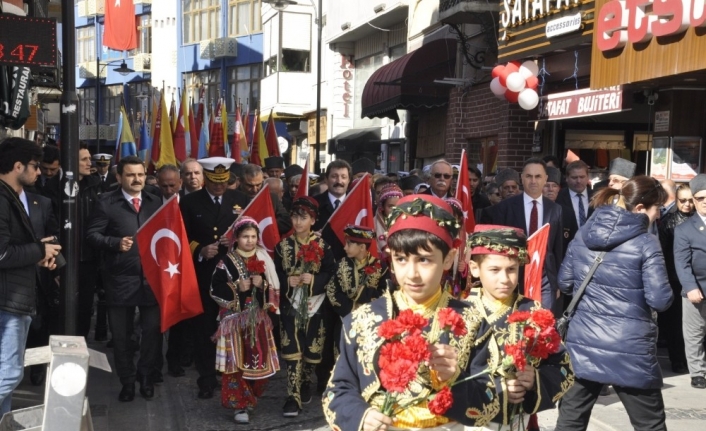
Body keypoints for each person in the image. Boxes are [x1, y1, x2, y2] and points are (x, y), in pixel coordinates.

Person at [323, 195, 508, 431]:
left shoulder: (471, 321)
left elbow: (490, 398)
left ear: (448, 258)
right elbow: (338, 389)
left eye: (424, 260)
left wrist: (455, 379)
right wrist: (360, 415)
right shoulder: (362, 320)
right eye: (400, 259)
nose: (412, 274)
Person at [555, 175, 672, 431]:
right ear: (640, 208)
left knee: (570, 422)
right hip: (629, 348)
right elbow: (659, 299)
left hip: (583, 342)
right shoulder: (646, 243)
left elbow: (565, 282)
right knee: (650, 425)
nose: (658, 216)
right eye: (657, 209)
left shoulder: (584, 232)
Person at [466, 224, 575, 429]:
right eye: (494, 270)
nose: (505, 279)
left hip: (519, 422)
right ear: (474, 269)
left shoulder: (534, 312)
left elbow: (564, 369)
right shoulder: (458, 312)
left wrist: (535, 379)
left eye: (512, 269)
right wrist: (497, 388)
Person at [86, 156, 163, 402]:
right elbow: (92, 235)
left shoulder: (155, 200)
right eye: (131, 175)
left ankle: (146, 376)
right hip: (120, 281)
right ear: (119, 177)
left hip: (151, 281)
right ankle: (127, 381)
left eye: (140, 174)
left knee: (152, 332)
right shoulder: (106, 202)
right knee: (121, 336)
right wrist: (114, 243)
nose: (137, 179)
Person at [0, 138, 62, 415]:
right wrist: (39, 249)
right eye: (35, 166)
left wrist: (40, 251)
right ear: (17, 166)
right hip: (7, 303)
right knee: (9, 374)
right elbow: (2, 254)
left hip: (15, 299)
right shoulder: (2, 199)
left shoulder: (12, 197)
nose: (39, 172)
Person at [180, 157, 250, 399]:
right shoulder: (189, 202)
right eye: (215, 182)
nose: (220, 186)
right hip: (204, 274)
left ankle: (230, 373)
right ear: (207, 179)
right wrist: (199, 249)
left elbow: (252, 232)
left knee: (233, 326)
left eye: (224, 182)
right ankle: (206, 378)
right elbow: (181, 237)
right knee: (205, 328)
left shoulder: (240, 200)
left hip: (233, 276)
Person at [210, 217, 280, 424]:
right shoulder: (226, 261)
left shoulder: (264, 258)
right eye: (244, 237)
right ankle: (239, 405)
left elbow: (274, 288)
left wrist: (262, 285)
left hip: (258, 319)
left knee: (258, 359)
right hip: (233, 320)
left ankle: (251, 396)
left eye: (253, 236)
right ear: (236, 239)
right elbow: (214, 288)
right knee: (235, 363)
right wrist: (235, 289)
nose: (249, 241)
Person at [275, 197, 336, 417]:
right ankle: (292, 397)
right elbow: (275, 274)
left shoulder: (323, 246)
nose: (298, 222)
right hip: (290, 305)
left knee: (312, 351)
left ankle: (305, 382)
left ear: (313, 220)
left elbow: (332, 272)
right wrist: (286, 281)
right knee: (291, 350)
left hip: (315, 305)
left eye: (304, 217)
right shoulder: (282, 246)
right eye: (295, 216)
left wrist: (315, 280)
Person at [481, 158, 564, 314]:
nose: (533, 181)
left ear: (545, 179)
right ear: (522, 178)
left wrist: (556, 283)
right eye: (529, 176)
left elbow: (557, 248)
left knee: (543, 324)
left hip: (545, 278)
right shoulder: (505, 208)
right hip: (514, 275)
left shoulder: (555, 209)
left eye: (538, 176)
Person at [674, 174, 706, 389]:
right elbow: (681, 262)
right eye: (701, 198)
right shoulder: (684, 229)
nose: (705, 202)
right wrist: (691, 287)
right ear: (694, 201)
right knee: (694, 333)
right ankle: (698, 372)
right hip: (697, 288)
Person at [658, 183, 693, 374]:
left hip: (694, 277)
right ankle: (677, 358)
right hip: (673, 278)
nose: (687, 204)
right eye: (683, 200)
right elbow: (663, 253)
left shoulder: (698, 220)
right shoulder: (668, 222)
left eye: (690, 200)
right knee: (675, 323)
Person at [325, 224, 388, 319]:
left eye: (349, 244)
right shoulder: (341, 265)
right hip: (345, 318)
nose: (345, 247)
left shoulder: (380, 267)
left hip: (372, 318)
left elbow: (386, 293)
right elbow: (332, 291)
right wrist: (352, 309)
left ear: (362, 247)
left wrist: (364, 295)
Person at [238, 163, 292, 236]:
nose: (254, 190)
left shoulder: (272, 198)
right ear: (240, 181)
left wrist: (264, 222)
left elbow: (286, 222)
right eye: (250, 186)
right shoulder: (231, 197)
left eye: (258, 185)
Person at [555, 160, 593, 255]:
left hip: (592, 252)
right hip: (566, 252)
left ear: (587, 177)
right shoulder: (558, 198)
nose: (578, 181)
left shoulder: (597, 197)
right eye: (574, 177)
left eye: (582, 177)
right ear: (567, 178)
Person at [373, 183, 403, 259]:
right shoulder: (373, 224)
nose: (395, 210)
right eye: (391, 206)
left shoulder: (408, 224)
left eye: (398, 206)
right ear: (382, 206)